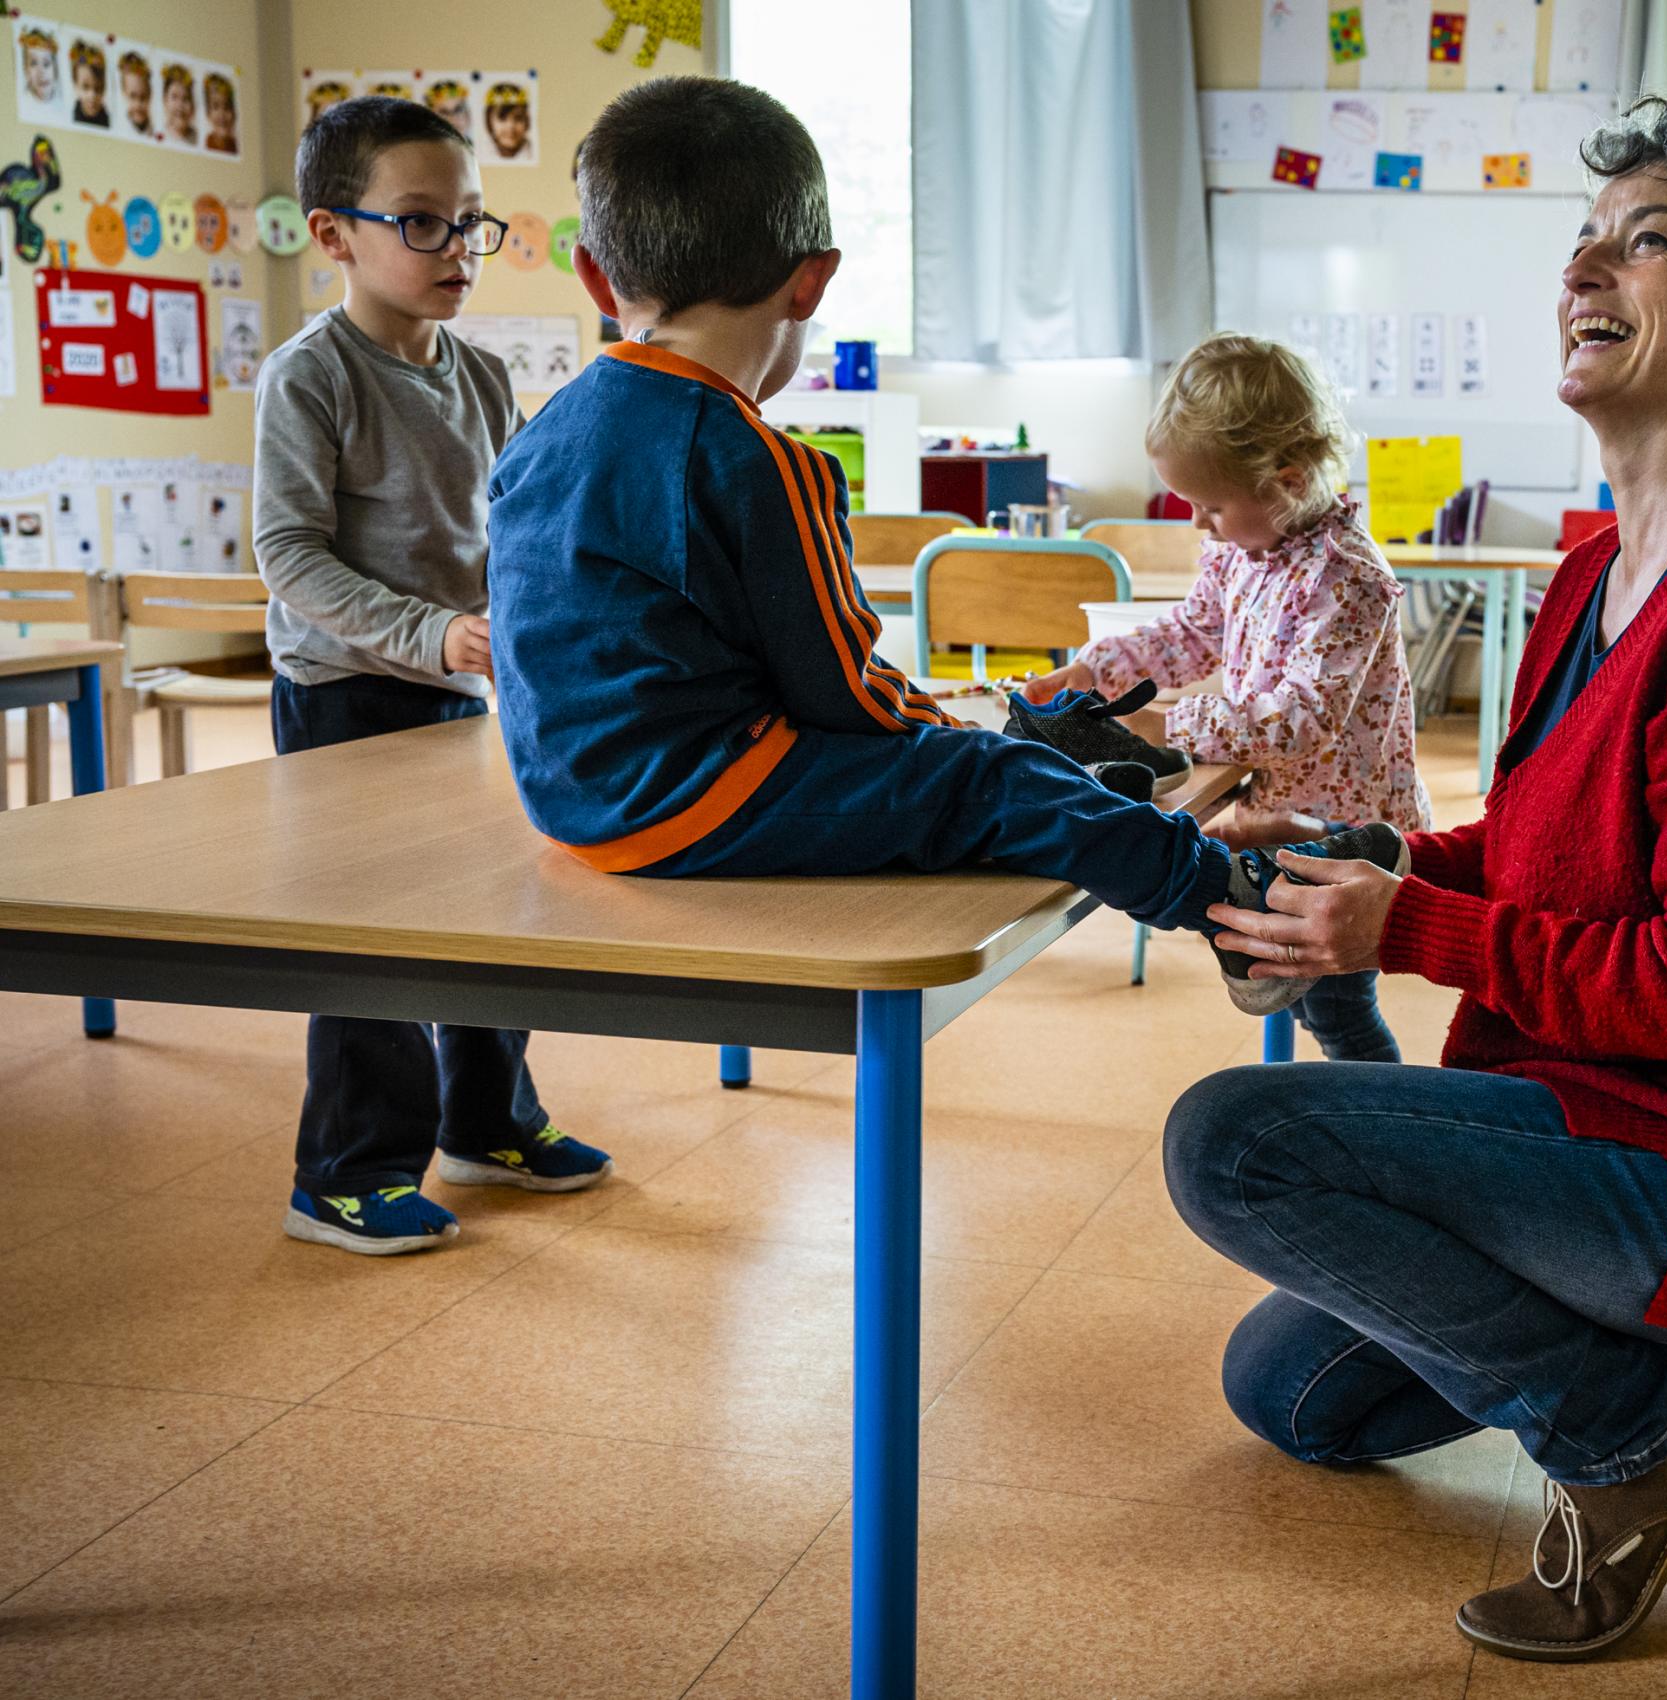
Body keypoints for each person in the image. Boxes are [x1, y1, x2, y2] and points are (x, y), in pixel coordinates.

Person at [1170, 94, 1667, 1662]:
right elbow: (1539, 858)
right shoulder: (1596, 570)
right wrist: (1366, 863)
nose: (1591, 266)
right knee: (1287, 1393)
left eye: (1650, 244)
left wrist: (1413, 927)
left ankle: (1642, 1438)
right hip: (1593, 1113)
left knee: (1233, 1149)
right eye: (1586, 239)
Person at [482, 77, 1386, 1007]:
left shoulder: (540, 435)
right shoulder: (756, 459)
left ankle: (1080, 792)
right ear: (812, 280)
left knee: (994, 765)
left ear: (595, 276)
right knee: (983, 776)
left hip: (568, 801)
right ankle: (1239, 907)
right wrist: (965, 737)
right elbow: (842, 696)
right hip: (693, 804)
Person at [254, 95, 602, 1257]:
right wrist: (432, 632)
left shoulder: (483, 374)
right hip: (347, 691)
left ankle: (488, 1120)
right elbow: (288, 553)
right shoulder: (311, 378)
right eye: (422, 223)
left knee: (497, 914)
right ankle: (346, 1172)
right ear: (333, 233)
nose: (458, 249)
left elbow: (507, 530)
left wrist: (535, 615)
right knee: (372, 937)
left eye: (470, 222)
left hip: (465, 694)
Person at [1019, 333, 1430, 1049]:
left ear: (1291, 479)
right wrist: (1094, 669)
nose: (1196, 523)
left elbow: (1304, 720)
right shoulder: (1240, 550)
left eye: (1208, 505)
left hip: (1344, 835)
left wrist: (1171, 728)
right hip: (1276, 813)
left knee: (1336, 1008)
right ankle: (1338, 1118)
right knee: (1297, 995)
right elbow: (1191, 632)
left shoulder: (1346, 578)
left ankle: (1382, 1126)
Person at [483, 83, 531, 162]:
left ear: (527, 121)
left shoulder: (531, 152)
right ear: (489, 121)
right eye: (502, 118)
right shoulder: (481, 152)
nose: (510, 126)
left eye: (518, 118)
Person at [66, 38, 108, 128]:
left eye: (98, 89)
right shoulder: (71, 119)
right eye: (85, 87)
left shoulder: (107, 120)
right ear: (75, 85)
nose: (92, 95)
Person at [158, 60, 195, 147]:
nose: (180, 105)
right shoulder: (161, 134)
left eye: (186, 98)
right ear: (165, 100)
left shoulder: (196, 137)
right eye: (174, 97)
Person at [204, 71, 239, 156]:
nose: (222, 114)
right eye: (216, 107)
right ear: (208, 113)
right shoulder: (206, 144)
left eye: (227, 107)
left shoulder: (236, 146)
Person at [119, 52, 153, 137]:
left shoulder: (153, 130)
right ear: (124, 94)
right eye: (132, 96)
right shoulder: (121, 129)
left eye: (143, 97)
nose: (138, 104)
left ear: (150, 94)